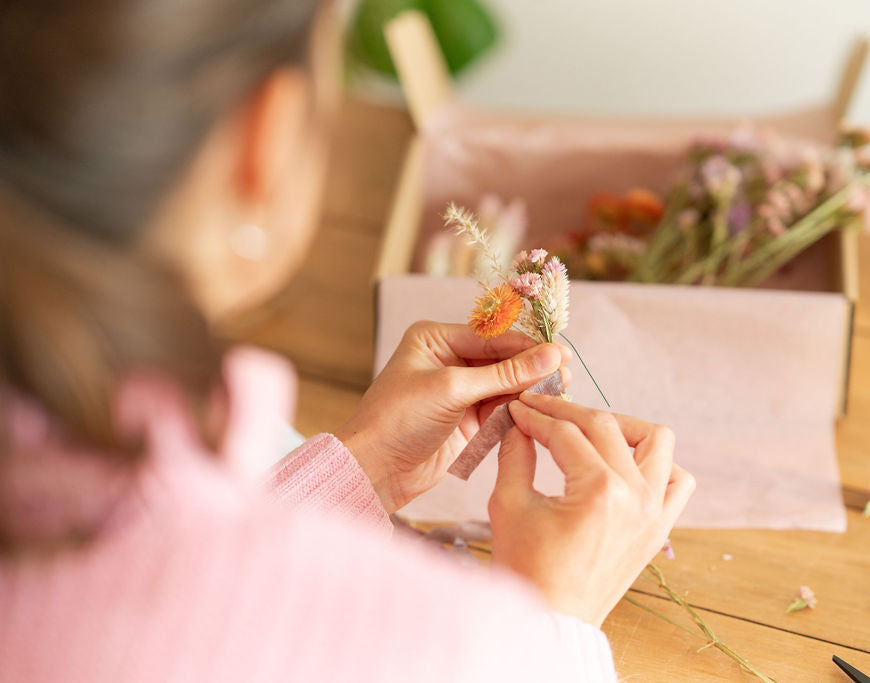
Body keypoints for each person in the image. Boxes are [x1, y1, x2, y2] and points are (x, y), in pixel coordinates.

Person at [0, 1, 695, 681]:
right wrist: (550, 630)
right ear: (265, 140)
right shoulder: (461, 646)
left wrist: (360, 469)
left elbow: (179, 586)